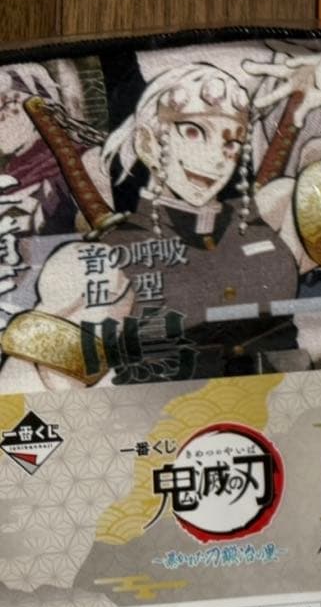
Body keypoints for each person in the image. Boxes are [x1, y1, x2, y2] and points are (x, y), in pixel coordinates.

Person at [0, 64, 300, 392]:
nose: (216, 158)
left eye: (231, 143)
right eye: (193, 132)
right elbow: (25, 385)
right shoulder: (102, 261)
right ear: (147, 141)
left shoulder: (271, 212)